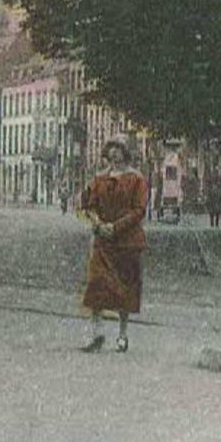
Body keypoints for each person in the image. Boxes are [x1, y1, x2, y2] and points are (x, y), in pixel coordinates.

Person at [78, 133, 147, 353]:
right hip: (102, 241)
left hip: (126, 241)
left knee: (125, 288)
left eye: (119, 148)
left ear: (126, 152)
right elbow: (87, 204)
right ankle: (97, 332)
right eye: (111, 148)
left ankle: (123, 334)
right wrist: (96, 222)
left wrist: (115, 227)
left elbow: (139, 210)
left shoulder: (136, 179)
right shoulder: (99, 179)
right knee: (96, 284)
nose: (114, 152)